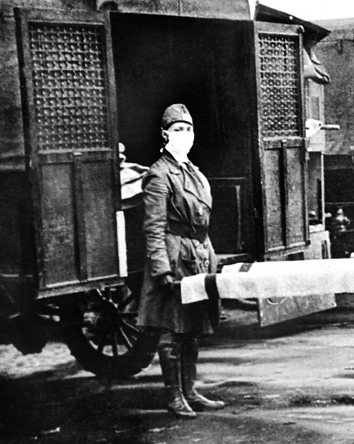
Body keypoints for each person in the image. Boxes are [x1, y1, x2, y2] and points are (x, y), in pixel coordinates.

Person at [138, 104, 224, 418]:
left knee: (193, 327)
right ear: (165, 134)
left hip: (197, 253)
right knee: (171, 329)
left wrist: (210, 258)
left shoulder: (194, 172)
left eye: (188, 129)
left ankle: (190, 390)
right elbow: (154, 226)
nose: (184, 135)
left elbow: (202, 221)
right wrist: (161, 269)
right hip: (174, 256)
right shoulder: (159, 173)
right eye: (177, 130)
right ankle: (174, 396)